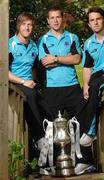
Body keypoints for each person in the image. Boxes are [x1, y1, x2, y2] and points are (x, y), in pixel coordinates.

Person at [38, 6, 95, 175]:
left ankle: (84, 162)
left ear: (63, 19)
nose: (55, 20)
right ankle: (47, 165)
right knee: (50, 127)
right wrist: (66, 59)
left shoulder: (72, 37)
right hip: (52, 89)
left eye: (58, 17)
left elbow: (77, 59)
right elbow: (44, 62)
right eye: (52, 18)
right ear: (48, 21)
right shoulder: (43, 40)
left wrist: (55, 58)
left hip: (72, 87)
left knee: (79, 124)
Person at [9, 12, 52, 155]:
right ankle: (39, 138)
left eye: (30, 25)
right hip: (14, 84)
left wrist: (32, 81)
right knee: (31, 96)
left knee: (47, 107)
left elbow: (34, 67)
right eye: (24, 24)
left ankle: (49, 149)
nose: (27, 28)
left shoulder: (34, 46)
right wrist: (23, 81)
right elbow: (3, 71)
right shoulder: (10, 44)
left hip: (28, 85)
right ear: (18, 26)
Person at [80, 7, 104, 148]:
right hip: (97, 75)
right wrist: (85, 84)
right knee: (84, 94)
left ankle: (91, 132)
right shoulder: (88, 43)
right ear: (89, 24)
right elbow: (87, 67)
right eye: (92, 20)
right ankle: (84, 158)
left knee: (96, 86)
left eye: (98, 19)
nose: (95, 22)